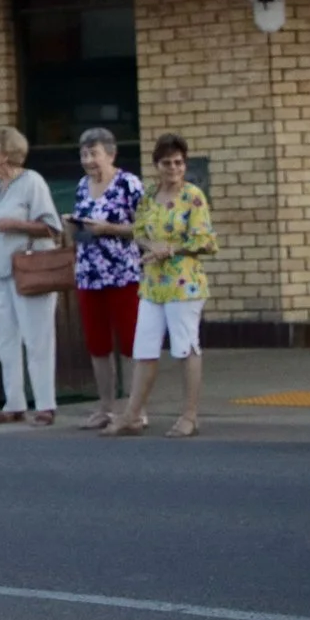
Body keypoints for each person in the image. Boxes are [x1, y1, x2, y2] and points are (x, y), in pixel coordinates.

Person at [107, 134, 216, 438]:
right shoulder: (150, 195)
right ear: (157, 165)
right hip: (153, 282)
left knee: (185, 347)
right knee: (144, 347)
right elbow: (138, 231)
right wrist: (150, 244)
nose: (173, 168)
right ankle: (131, 414)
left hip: (184, 283)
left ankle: (190, 416)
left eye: (179, 162)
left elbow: (204, 240)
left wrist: (171, 249)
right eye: (167, 162)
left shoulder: (193, 196)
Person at [0, 126, 62, 426]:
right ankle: (14, 403)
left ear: (6, 153)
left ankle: (45, 404)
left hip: (29, 272)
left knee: (37, 339)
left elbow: (52, 227)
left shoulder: (31, 182)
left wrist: (17, 224)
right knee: (5, 341)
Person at [67, 127, 142, 431]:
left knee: (131, 342)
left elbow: (145, 229)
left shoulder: (129, 184)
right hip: (89, 275)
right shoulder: (82, 186)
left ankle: (136, 408)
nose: (88, 160)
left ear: (111, 154)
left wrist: (107, 229)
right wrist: (72, 227)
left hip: (123, 274)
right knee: (97, 345)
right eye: (84, 154)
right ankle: (106, 408)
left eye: (94, 154)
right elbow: (82, 229)